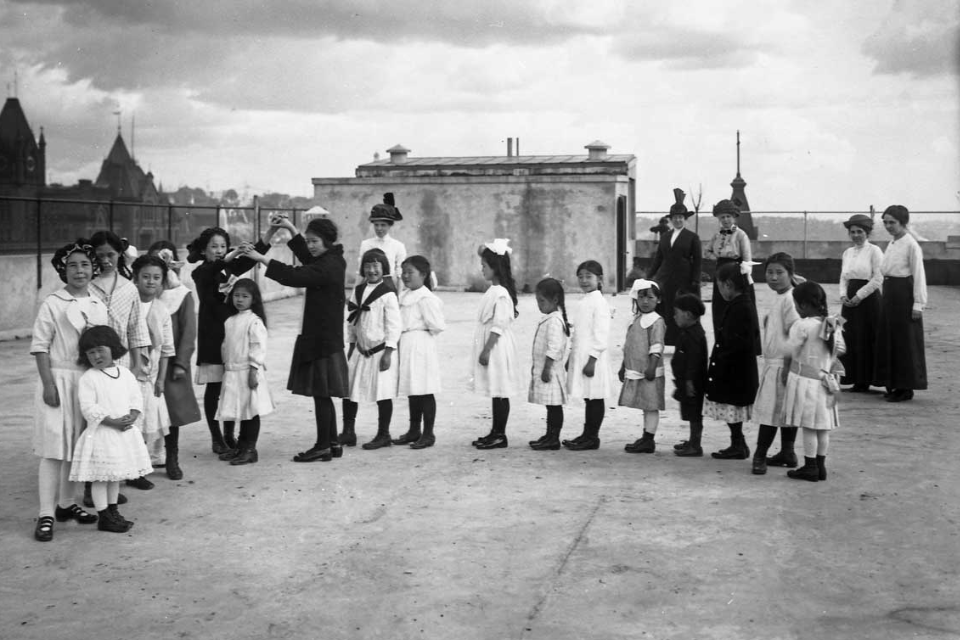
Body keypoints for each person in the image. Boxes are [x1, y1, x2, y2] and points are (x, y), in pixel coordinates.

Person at [243, 215, 348, 462]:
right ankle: (332, 443)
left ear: (327, 241)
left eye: (314, 241)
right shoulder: (330, 258)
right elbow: (306, 257)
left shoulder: (329, 265)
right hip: (324, 336)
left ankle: (324, 445)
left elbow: (295, 275)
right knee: (323, 393)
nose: (310, 245)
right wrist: (290, 228)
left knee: (321, 393)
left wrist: (261, 258)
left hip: (322, 338)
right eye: (309, 241)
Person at [30, 240, 108, 541]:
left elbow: (102, 345)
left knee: (76, 447)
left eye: (85, 264)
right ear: (63, 270)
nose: (79, 270)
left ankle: (66, 504)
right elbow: (40, 347)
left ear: (93, 269)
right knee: (53, 449)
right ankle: (46, 513)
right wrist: (49, 384)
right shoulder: (53, 302)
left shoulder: (97, 304)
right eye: (73, 265)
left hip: (86, 382)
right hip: (58, 379)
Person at [71, 325, 152, 533]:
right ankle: (104, 516)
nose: (96, 356)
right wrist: (111, 421)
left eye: (101, 350)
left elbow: (135, 396)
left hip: (123, 435)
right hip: (103, 435)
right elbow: (88, 407)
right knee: (101, 477)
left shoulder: (124, 374)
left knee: (115, 475)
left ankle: (113, 511)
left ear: (113, 348)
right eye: (91, 353)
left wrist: (133, 414)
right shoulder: (89, 378)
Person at [186, 227, 258, 455]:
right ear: (204, 250)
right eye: (214, 247)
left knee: (231, 386)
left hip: (232, 336)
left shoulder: (228, 267)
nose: (219, 251)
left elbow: (251, 257)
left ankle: (229, 435)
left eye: (223, 246)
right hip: (212, 336)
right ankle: (216, 438)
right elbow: (216, 268)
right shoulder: (200, 272)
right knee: (215, 388)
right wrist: (234, 254)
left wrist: (270, 234)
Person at [782, 282, 845, 482]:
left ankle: (809, 467)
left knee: (809, 426)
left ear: (803, 305)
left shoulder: (802, 326)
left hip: (807, 382)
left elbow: (790, 349)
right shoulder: (834, 323)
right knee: (822, 427)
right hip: (827, 381)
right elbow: (841, 350)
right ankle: (820, 466)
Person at [148, 241, 201, 480]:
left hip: (171, 362)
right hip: (145, 360)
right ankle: (143, 458)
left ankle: (171, 457)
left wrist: (181, 363)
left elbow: (189, 331)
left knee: (172, 412)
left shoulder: (181, 295)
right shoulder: (142, 292)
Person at [340, 249, 401, 451]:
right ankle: (348, 431)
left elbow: (394, 325)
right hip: (360, 349)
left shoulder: (388, 294)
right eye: (367, 266)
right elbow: (351, 321)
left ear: (383, 268)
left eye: (376, 266)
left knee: (382, 393)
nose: (372, 270)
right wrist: (350, 346)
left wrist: (389, 352)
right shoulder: (357, 291)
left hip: (379, 351)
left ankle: (383, 434)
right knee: (349, 392)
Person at [751, 253, 802, 475]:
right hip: (775, 363)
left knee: (771, 412)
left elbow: (796, 336)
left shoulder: (791, 299)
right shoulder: (781, 296)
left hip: (784, 364)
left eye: (779, 272)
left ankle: (760, 455)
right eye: (770, 272)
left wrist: (789, 367)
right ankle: (788, 452)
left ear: (790, 274)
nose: (773, 277)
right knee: (785, 410)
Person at [127, 254, 175, 490]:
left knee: (146, 423)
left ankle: (138, 470)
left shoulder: (162, 310)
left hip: (151, 375)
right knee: (128, 423)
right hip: (128, 371)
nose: (151, 282)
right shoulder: (128, 304)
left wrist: (161, 379)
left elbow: (166, 349)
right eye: (145, 277)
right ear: (135, 278)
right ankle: (125, 468)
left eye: (156, 277)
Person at [703, 262, 760, 460]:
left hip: (735, 368)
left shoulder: (741, 307)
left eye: (719, 286)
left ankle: (739, 444)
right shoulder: (741, 303)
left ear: (727, 284)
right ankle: (737, 442)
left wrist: (722, 360)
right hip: (736, 366)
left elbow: (739, 341)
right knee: (732, 407)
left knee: (732, 405)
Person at [215, 278, 275, 465]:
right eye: (236, 296)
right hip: (233, 372)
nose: (239, 300)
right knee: (240, 411)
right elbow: (226, 346)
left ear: (253, 299)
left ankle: (250, 449)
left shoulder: (254, 321)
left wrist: (253, 370)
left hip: (247, 371)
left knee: (251, 411)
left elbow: (258, 347)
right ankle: (240, 447)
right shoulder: (230, 321)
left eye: (245, 296)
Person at [469, 239, 521, 450]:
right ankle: (495, 431)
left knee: (500, 390)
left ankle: (500, 434)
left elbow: (499, 325)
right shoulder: (493, 290)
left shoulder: (501, 294)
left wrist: (487, 350)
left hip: (496, 347)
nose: (482, 270)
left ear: (495, 267)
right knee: (495, 389)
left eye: (485, 266)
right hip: (492, 344)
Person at [874, 205, 927, 403]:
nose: (888, 226)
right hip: (890, 294)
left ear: (903, 223)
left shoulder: (911, 244)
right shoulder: (893, 243)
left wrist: (918, 304)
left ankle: (906, 388)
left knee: (905, 343)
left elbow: (919, 275)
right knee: (891, 341)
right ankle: (894, 384)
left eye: (892, 222)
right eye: (885, 222)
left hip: (904, 295)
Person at [393, 255, 446, 449]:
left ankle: (428, 433)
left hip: (421, 345)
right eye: (403, 272)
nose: (406, 276)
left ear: (423, 275)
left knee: (424, 389)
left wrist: (417, 332)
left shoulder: (426, 298)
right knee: (412, 388)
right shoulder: (405, 295)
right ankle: (413, 430)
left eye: (410, 272)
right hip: (406, 343)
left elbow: (437, 326)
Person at [562, 260, 614, 451]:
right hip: (582, 355)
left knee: (595, 397)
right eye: (581, 276)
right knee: (588, 397)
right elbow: (578, 333)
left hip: (593, 359)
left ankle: (592, 437)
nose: (584, 280)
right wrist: (571, 358)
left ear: (599, 279)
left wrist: (592, 360)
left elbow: (601, 334)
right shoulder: (584, 300)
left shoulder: (599, 303)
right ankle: (586, 434)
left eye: (589, 277)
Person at [704, 200, 760, 355]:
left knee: (738, 309)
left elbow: (747, 260)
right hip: (720, 273)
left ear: (734, 217)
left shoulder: (741, 235)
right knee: (721, 309)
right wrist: (716, 258)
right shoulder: (716, 236)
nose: (726, 220)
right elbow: (706, 251)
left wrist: (744, 279)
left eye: (728, 216)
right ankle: (722, 344)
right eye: (722, 217)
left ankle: (744, 345)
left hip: (736, 274)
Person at [647, 188, 702, 346]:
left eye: (681, 218)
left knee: (682, 309)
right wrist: (650, 276)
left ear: (685, 219)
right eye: (675, 218)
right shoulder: (665, 236)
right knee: (666, 310)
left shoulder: (692, 237)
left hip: (684, 279)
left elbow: (698, 260)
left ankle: (684, 341)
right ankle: (667, 340)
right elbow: (658, 258)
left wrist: (695, 280)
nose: (678, 220)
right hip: (665, 279)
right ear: (671, 219)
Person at [619, 279, 666, 454]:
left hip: (649, 372)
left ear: (658, 299)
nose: (645, 301)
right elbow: (628, 346)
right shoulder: (635, 320)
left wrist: (652, 367)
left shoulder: (656, 321)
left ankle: (649, 438)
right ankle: (645, 436)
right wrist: (623, 366)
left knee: (651, 405)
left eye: (650, 297)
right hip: (637, 371)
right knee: (645, 404)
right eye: (641, 297)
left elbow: (656, 346)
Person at [838, 214, 883, 393]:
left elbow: (878, 277)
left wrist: (859, 296)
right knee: (851, 337)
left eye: (860, 232)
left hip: (868, 300)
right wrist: (843, 295)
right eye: (853, 232)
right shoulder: (847, 253)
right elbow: (843, 276)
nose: (856, 235)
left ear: (868, 233)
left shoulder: (875, 251)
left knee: (867, 338)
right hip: (849, 301)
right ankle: (856, 380)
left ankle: (867, 379)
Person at [527, 278, 570, 451]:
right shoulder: (550, 318)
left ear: (555, 300)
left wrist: (546, 368)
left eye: (542, 301)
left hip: (551, 372)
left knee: (554, 406)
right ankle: (549, 434)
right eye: (538, 301)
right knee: (550, 406)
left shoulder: (554, 321)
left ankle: (553, 438)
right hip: (547, 370)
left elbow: (554, 347)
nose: (539, 305)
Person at [670, 294, 709, 457]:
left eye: (676, 312)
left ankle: (695, 445)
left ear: (687, 314)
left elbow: (694, 360)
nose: (674, 316)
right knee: (690, 410)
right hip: (686, 380)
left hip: (693, 381)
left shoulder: (694, 335)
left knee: (694, 413)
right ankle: (692, 441)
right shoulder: (688, 331)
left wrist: (689, 381)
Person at [358, 193, 407, 291]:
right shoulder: (366, 244)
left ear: (390, 226)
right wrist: (355, 293)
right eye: (376, 225)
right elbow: (360, 272)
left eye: (383, 225)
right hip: (369, 286)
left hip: (388, 287)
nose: (379, 228)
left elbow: (399, 273)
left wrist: (399, 295)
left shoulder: (398, 246)